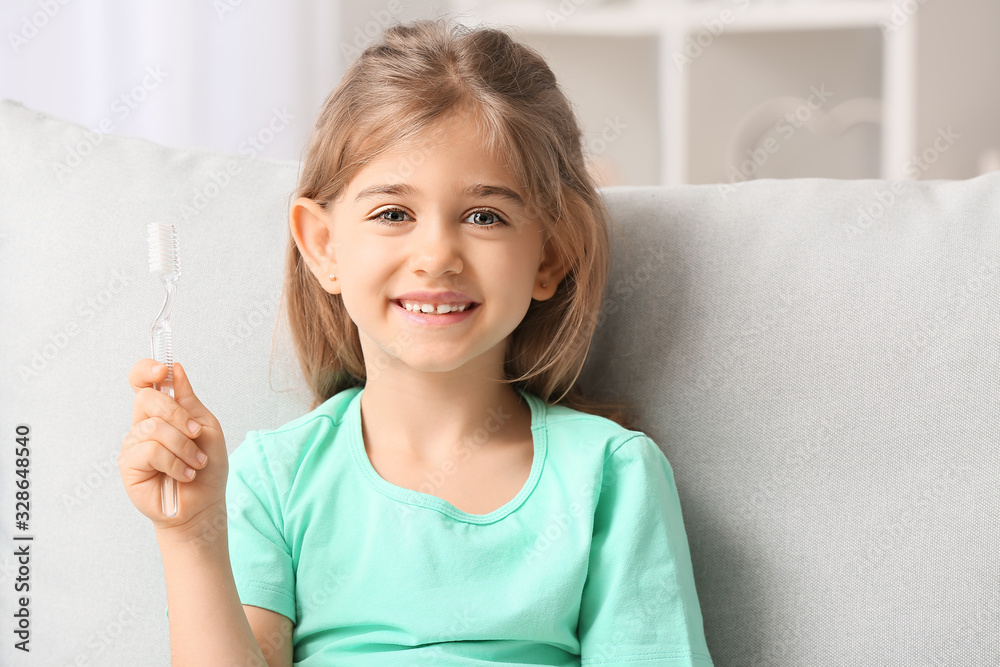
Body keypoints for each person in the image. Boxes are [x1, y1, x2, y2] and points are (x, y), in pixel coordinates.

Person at [118, 18, 714, 667]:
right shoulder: (273, 480)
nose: (436, 256)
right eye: (393, 214)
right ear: (323, 246)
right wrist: (191, 534)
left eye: (484, 216)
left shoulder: (610, 474)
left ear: (551, 254)